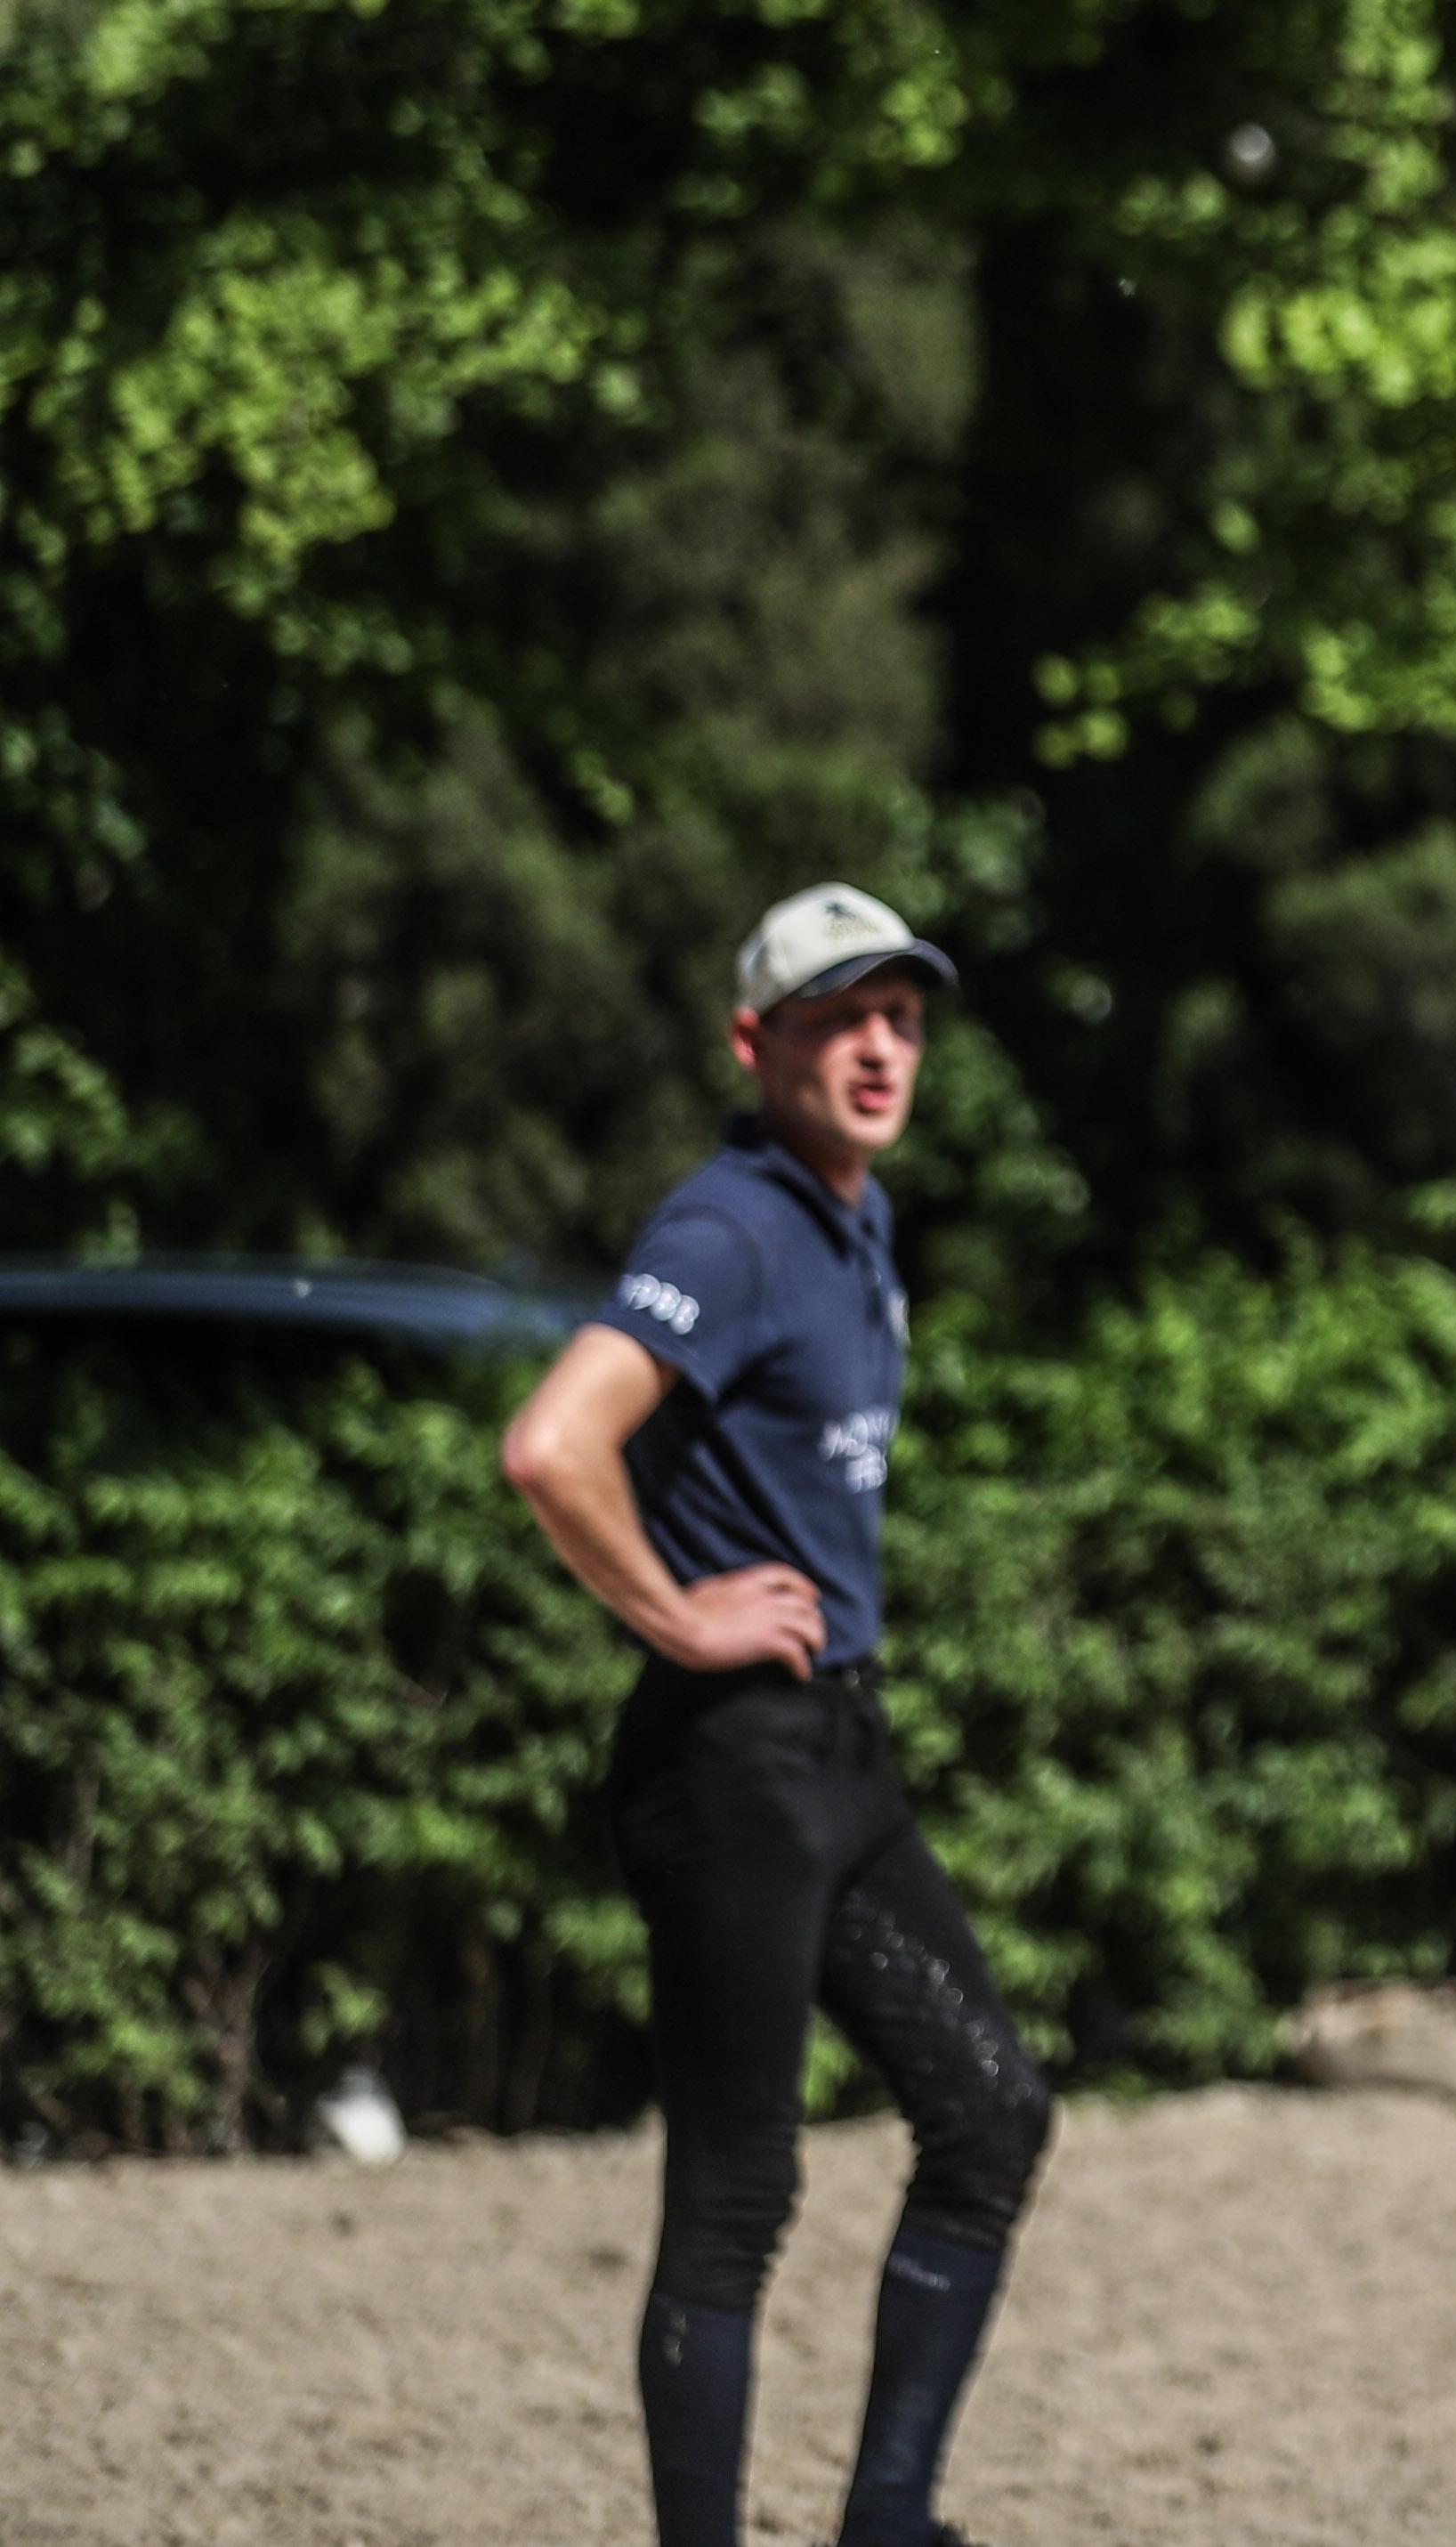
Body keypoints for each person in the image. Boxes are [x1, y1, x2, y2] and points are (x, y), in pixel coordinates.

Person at [501, 885, 1047, 2547]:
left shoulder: (847, 1221)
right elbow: (551, 1445)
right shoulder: (733, 1228)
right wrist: (674, 1610)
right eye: (837, 1016)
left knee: (990, 2110)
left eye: (900, 1015)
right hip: (731, 1765)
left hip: (836, 1755)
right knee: (736, 2199)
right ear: (758, 1043)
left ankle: (887, 2523)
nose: (879, 1046)